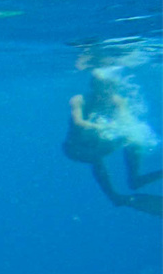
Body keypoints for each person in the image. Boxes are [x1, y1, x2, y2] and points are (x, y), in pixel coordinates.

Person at [63, 66, 162, 216]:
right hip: (75, 148)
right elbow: (78, 123)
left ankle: (135, 178)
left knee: (131, 139)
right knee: (95, 154)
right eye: (100, 86)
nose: (104, 91)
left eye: (108, 87)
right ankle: (114, 195)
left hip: (98, 144)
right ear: (93, 86)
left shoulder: (118, 101)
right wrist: (103, 127)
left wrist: (128, 130)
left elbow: (126, 121)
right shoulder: (79, 100)